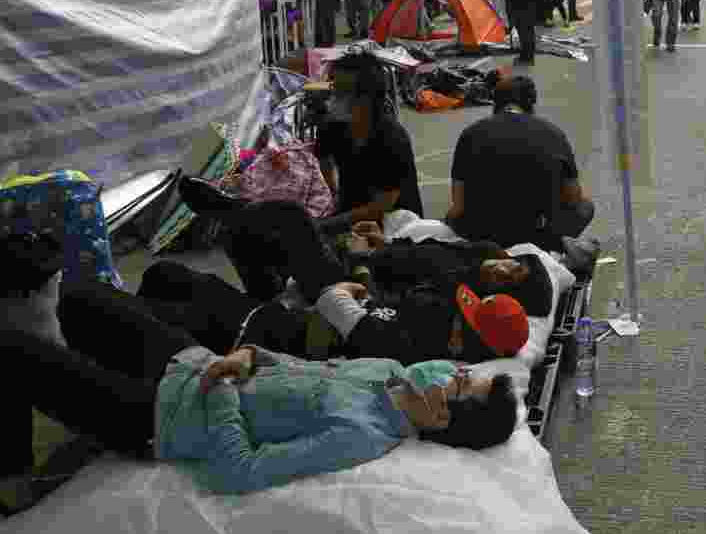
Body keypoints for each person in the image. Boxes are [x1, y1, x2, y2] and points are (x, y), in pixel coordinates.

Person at [1, 275, 518, 499]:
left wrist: (224, 390)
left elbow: (240, 470)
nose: (453, 370)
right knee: (79, 296)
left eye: (460, 382)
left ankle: (13, 471)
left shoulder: (360, 435)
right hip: (190, 361)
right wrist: (253, 356)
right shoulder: (384, 369)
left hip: (161, 418)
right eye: (463, 370)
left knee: (13, 352)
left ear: (443, 415)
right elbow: (299, 367)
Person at [446, 75, 595, 252]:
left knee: (454, 218)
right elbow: (574, 198)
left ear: (496, 103)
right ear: (531, 104)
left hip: (482, 235)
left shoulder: (470, 134)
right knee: (586, 206)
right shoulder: (553, 134)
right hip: (538, 235)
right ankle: (553, 245)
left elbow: (458, 205)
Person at [313, 60, 423, 235]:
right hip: (351, 210)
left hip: (397, 221)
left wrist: (331, 223)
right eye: (334, 88)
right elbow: (324, 160)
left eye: (342, 91)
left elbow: (383, 206)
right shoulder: (331, 126)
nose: (332, 97)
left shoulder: (392, 139)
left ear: (367, 98)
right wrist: (334, 194)